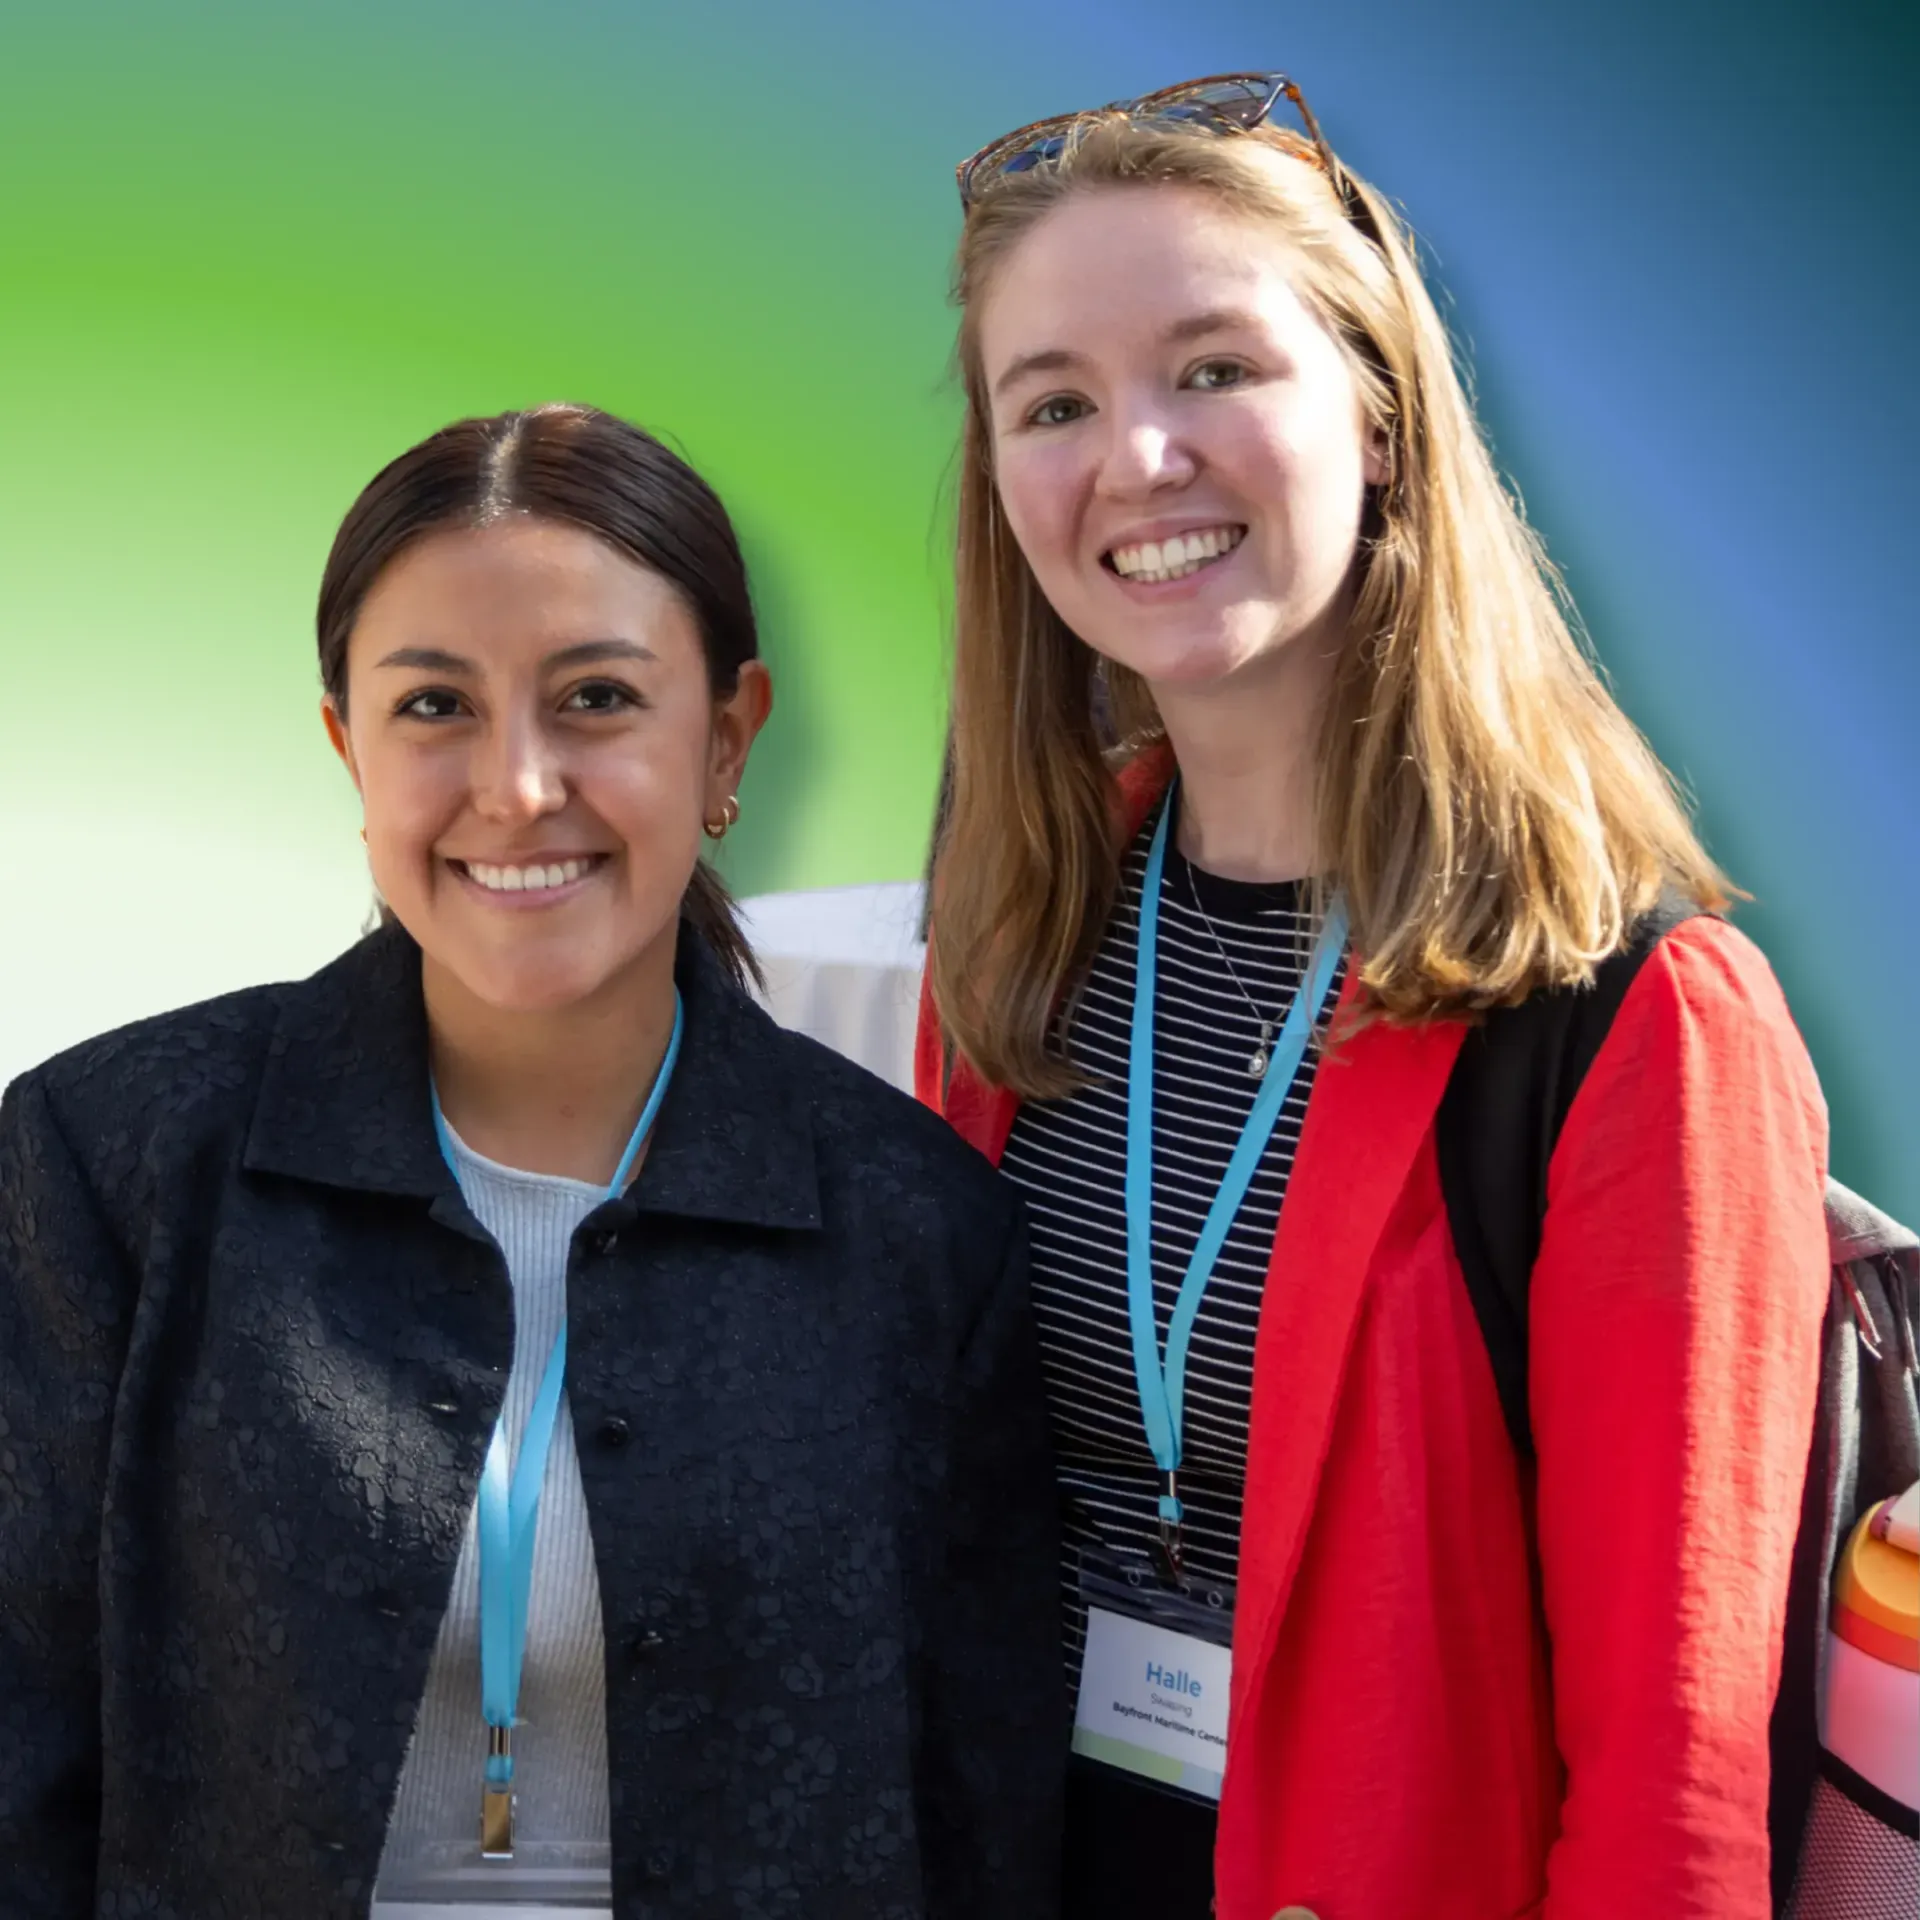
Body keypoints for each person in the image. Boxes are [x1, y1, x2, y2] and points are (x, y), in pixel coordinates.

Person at [914, 74, 1832, 1920]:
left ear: (1385, 418)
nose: (1137, 460)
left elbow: (1679, 1789)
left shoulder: (1639, 1019)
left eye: (1215, 370)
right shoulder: (1022, 931)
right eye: (1057, 404)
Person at [0, 404, 1066, 1919]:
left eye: (597, 699)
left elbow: (987, 1815)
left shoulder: (919, 1230)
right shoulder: (111, 1161)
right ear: (345, 749)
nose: (516, 787)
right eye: (434, 705)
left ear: (728, 738)